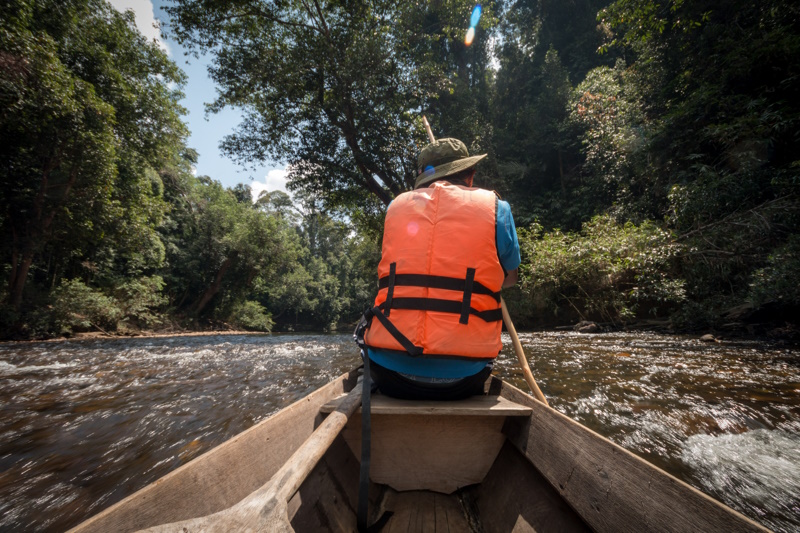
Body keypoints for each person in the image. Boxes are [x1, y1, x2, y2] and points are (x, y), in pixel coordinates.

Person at [355, 137, 521, 400]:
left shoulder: (394, 208)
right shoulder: (498, 209)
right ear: (471, 175)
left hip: (390, 374)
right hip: (465, 379)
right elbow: (508, 279)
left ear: (423, 179)